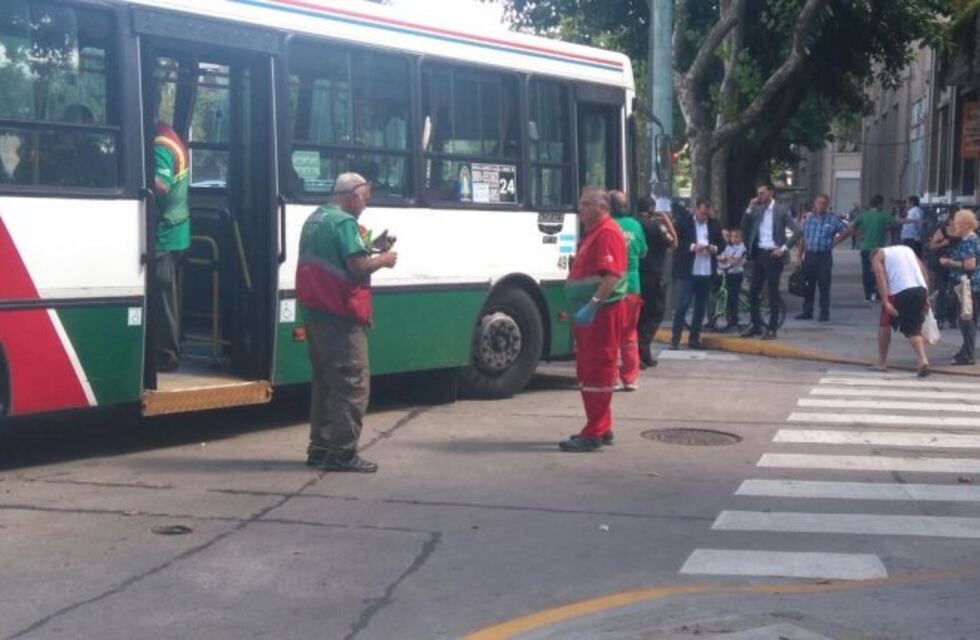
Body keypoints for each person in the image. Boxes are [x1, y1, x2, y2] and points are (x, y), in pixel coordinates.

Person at [298, 173, 398, 472]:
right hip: (340, 315)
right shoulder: (344, 223)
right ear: (352, 195)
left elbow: (338, 256)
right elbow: (356, 268)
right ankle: (342, 453)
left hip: (315, 313)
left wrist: (371, 247)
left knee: (326, 384)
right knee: (352, 385)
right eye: (365, 198)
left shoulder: (316, 218)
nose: (365, 205)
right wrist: (384, 259)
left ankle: (320, 447)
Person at [561, 187, 627, 452]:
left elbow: (612, 275)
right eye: (580, 204)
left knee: (597, 369)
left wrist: (593, 304)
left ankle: (594, 432)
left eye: (587, 204)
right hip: (593, 313)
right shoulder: (595, 233)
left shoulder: (607, 233)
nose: (581, 209)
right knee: (590, 369)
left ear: (603, 207)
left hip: (602, 313)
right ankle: (602, 425)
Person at [153, 120, 191, 372]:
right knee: (170, 296)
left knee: (163, 297)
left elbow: (162, 185)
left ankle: (167, 354)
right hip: (177, 230)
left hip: (165, 233)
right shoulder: (173, 138)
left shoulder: (161, 145)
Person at [740, 181, 800, 340]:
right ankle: (755, 324)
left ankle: (772, 328)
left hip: (773, 254)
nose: (760, 196)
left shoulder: (781, 210)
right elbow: (744, 227)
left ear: (771, 193)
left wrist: (783, 249)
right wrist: (750, 207)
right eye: (758, 193)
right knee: (753, 291)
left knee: (772, 292)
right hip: (759, 253)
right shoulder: (758, 210)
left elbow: (797, 231)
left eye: (762, 193)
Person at [870, 245, 930, 377]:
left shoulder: (878, 256)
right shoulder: (907, 249)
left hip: (901, 292)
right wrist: (926, 296)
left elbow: (880, 277)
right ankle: (921, 361)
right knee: (914, 327)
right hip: (920, 289)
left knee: (908, 330)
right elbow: (923, 272)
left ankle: (921, 361)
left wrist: (885, 301)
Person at [671, 199, 724, 349]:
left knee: (701, 308)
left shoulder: (714, 224)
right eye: (702, 214)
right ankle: (675, 338)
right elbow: (675, 242)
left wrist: (713, 248)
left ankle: (694, 339)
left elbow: (722, 244)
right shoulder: (684, 222)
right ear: (696, 210)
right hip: (689, 271)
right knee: (683, 306)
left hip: (706, 271)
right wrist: (692, 246)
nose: (704, 217)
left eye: (707, 214)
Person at [610, 190, 648, 391]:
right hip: (634, 285)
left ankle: (612, 377)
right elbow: (643, 252)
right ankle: (630, 378)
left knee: (611, 335)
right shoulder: (635, 225)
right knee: (629, 333)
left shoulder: (608, 226)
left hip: (613, 286)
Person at [636, 197, 678, 368]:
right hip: (654, 277)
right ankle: (643, 348)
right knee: (655, 314)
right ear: (652, 210)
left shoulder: (633, 224)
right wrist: (667, 220)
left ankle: (642, 355)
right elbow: (674, 243)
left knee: (639, 315)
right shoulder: (655, 226)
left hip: (636, 276)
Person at [795, 194, 849, 322]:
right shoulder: (808, 219)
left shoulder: (832, 219)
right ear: (814, 204)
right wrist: (798, 256)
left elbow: (846, 231)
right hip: (810, 256)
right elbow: (803, 238)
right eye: (819, 202)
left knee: (824, 285)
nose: (821, 205)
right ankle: (807, 311)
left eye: (824, 203)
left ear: (827, 205)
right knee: (808, 284)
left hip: (824, 257)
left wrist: (835, 242)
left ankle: (824, 313)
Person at [940, 209, 980, 365]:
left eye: (956, 223)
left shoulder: (969, 240)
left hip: (968, 284)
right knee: (968, 319)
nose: (953, 225)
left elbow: (970, 265)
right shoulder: (970, 239)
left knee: (967, 320)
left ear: (963, 224)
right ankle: (966, 350)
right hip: (969, 284)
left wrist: (949, 263)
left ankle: (968, 354)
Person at [840, 194, 894, 302]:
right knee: (879, 272)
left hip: (865, 247)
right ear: (880, 204)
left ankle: (868, 295)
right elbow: (896, 222)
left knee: (866, 272)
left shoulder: (863, 215)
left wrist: (858, 234)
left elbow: (851, 226)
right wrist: (914, 221)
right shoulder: (883, 215)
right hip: (878, 249)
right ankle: (878, 294)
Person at [718, 228, 746, 331]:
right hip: (728, 273)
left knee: (733, 298)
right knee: (728, 299)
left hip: (736, 274)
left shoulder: (742, 248)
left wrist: (727, 258)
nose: (733, 239)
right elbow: (721, 257)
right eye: (732, 236)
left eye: (736, 236)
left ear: (741, 238)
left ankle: (734, 321)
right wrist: (727, 258)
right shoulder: (729, 247)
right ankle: (730, 319)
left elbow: (735, 261)